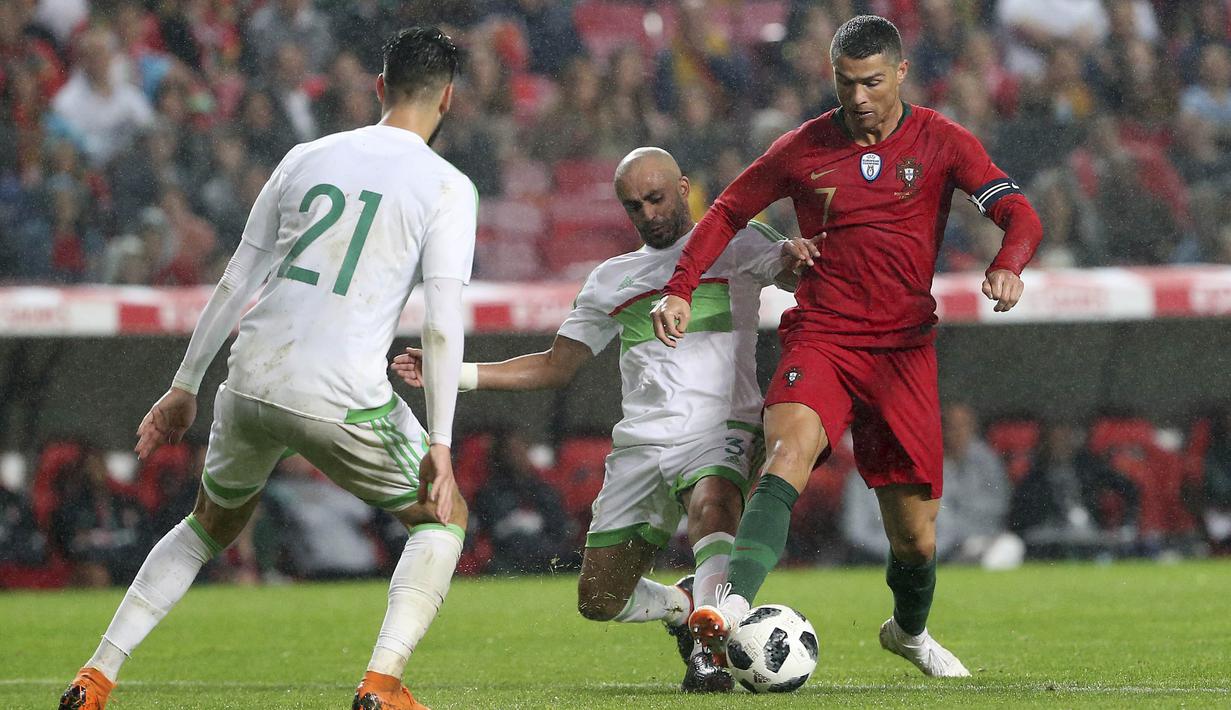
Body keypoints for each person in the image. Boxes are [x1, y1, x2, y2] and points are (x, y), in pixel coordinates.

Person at [60, 27, 475, 710]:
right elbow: (441, 321)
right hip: (343, 390)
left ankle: (96, 676)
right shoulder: (448, 187)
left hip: (251, 374)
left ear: (378, 87)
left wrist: (184, 385)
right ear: (449, 99)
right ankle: (380, 684)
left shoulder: (305, 156)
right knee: (444, 515)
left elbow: (236, 279)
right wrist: (441, 441)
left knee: (206, 526)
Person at [652, 15, 1043, 678]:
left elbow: (1019, 213)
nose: (858, 96)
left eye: (871, 82)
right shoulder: (804, 146)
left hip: (903, 352)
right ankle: (729, 605)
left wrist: (1008, 262)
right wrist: (680, 287)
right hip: (823, 336)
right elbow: (725, 211)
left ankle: (909, 633)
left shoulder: (942, 141)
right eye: (845, 82)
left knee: (915, 538)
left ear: (900, 74)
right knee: (787, 454)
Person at [393, 146, 815, 693]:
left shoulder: (738, 243)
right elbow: (554, 366)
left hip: (720, 428)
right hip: (641, 446)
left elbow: (803, 273)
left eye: (656, 198)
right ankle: (684, 604)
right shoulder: (611, 279)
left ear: (684, 188)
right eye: (634, 206)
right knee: (599, 599)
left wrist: (798, 258)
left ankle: (710, 649)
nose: (648, 214)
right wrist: (454, 371)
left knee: (714, 505)